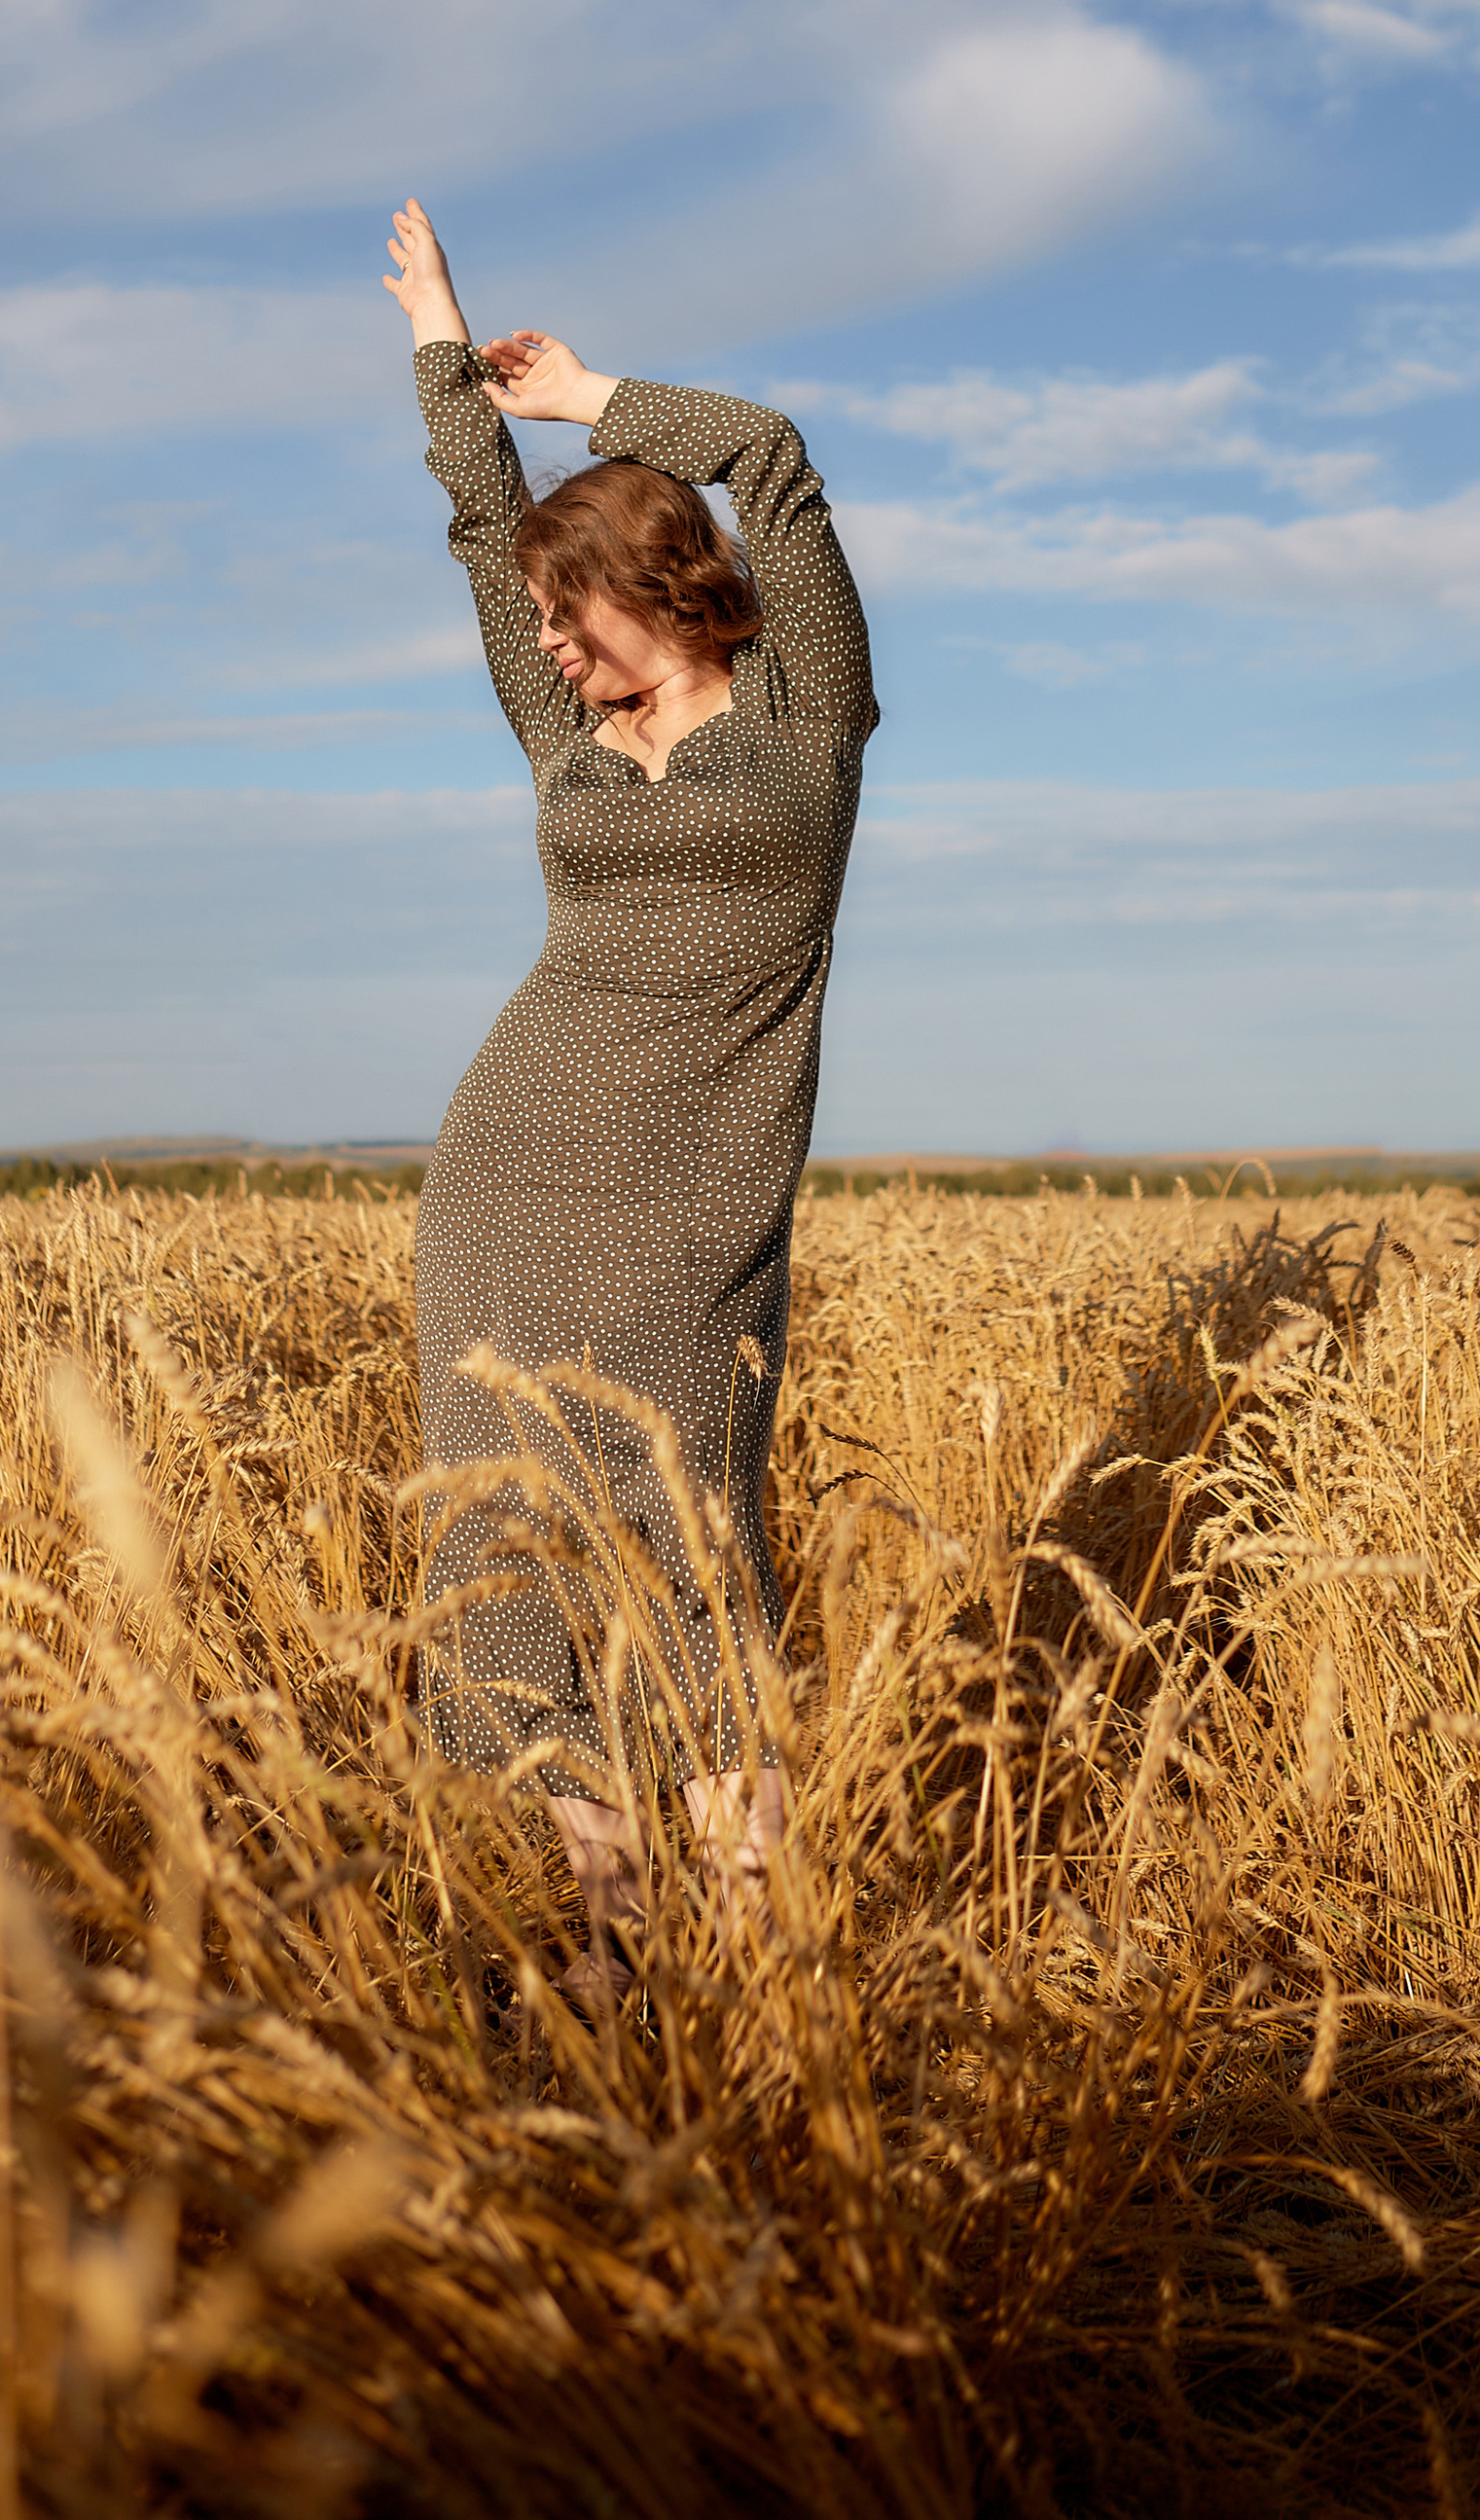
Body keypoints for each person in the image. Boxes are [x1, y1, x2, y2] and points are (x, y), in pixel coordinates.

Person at [382, 198, 879, 1998]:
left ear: (647, 580)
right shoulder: (559, 729)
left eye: (563, 607)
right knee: (511, 1548)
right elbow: (466, 528)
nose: (549, 644)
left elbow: (780, 462)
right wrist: (439, 344)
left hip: (699, 1202)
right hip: (509, 1181)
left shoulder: (812, 711)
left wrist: (585, 392)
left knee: (690, 1547)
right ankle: (598, 1958)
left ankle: (749, 1961)